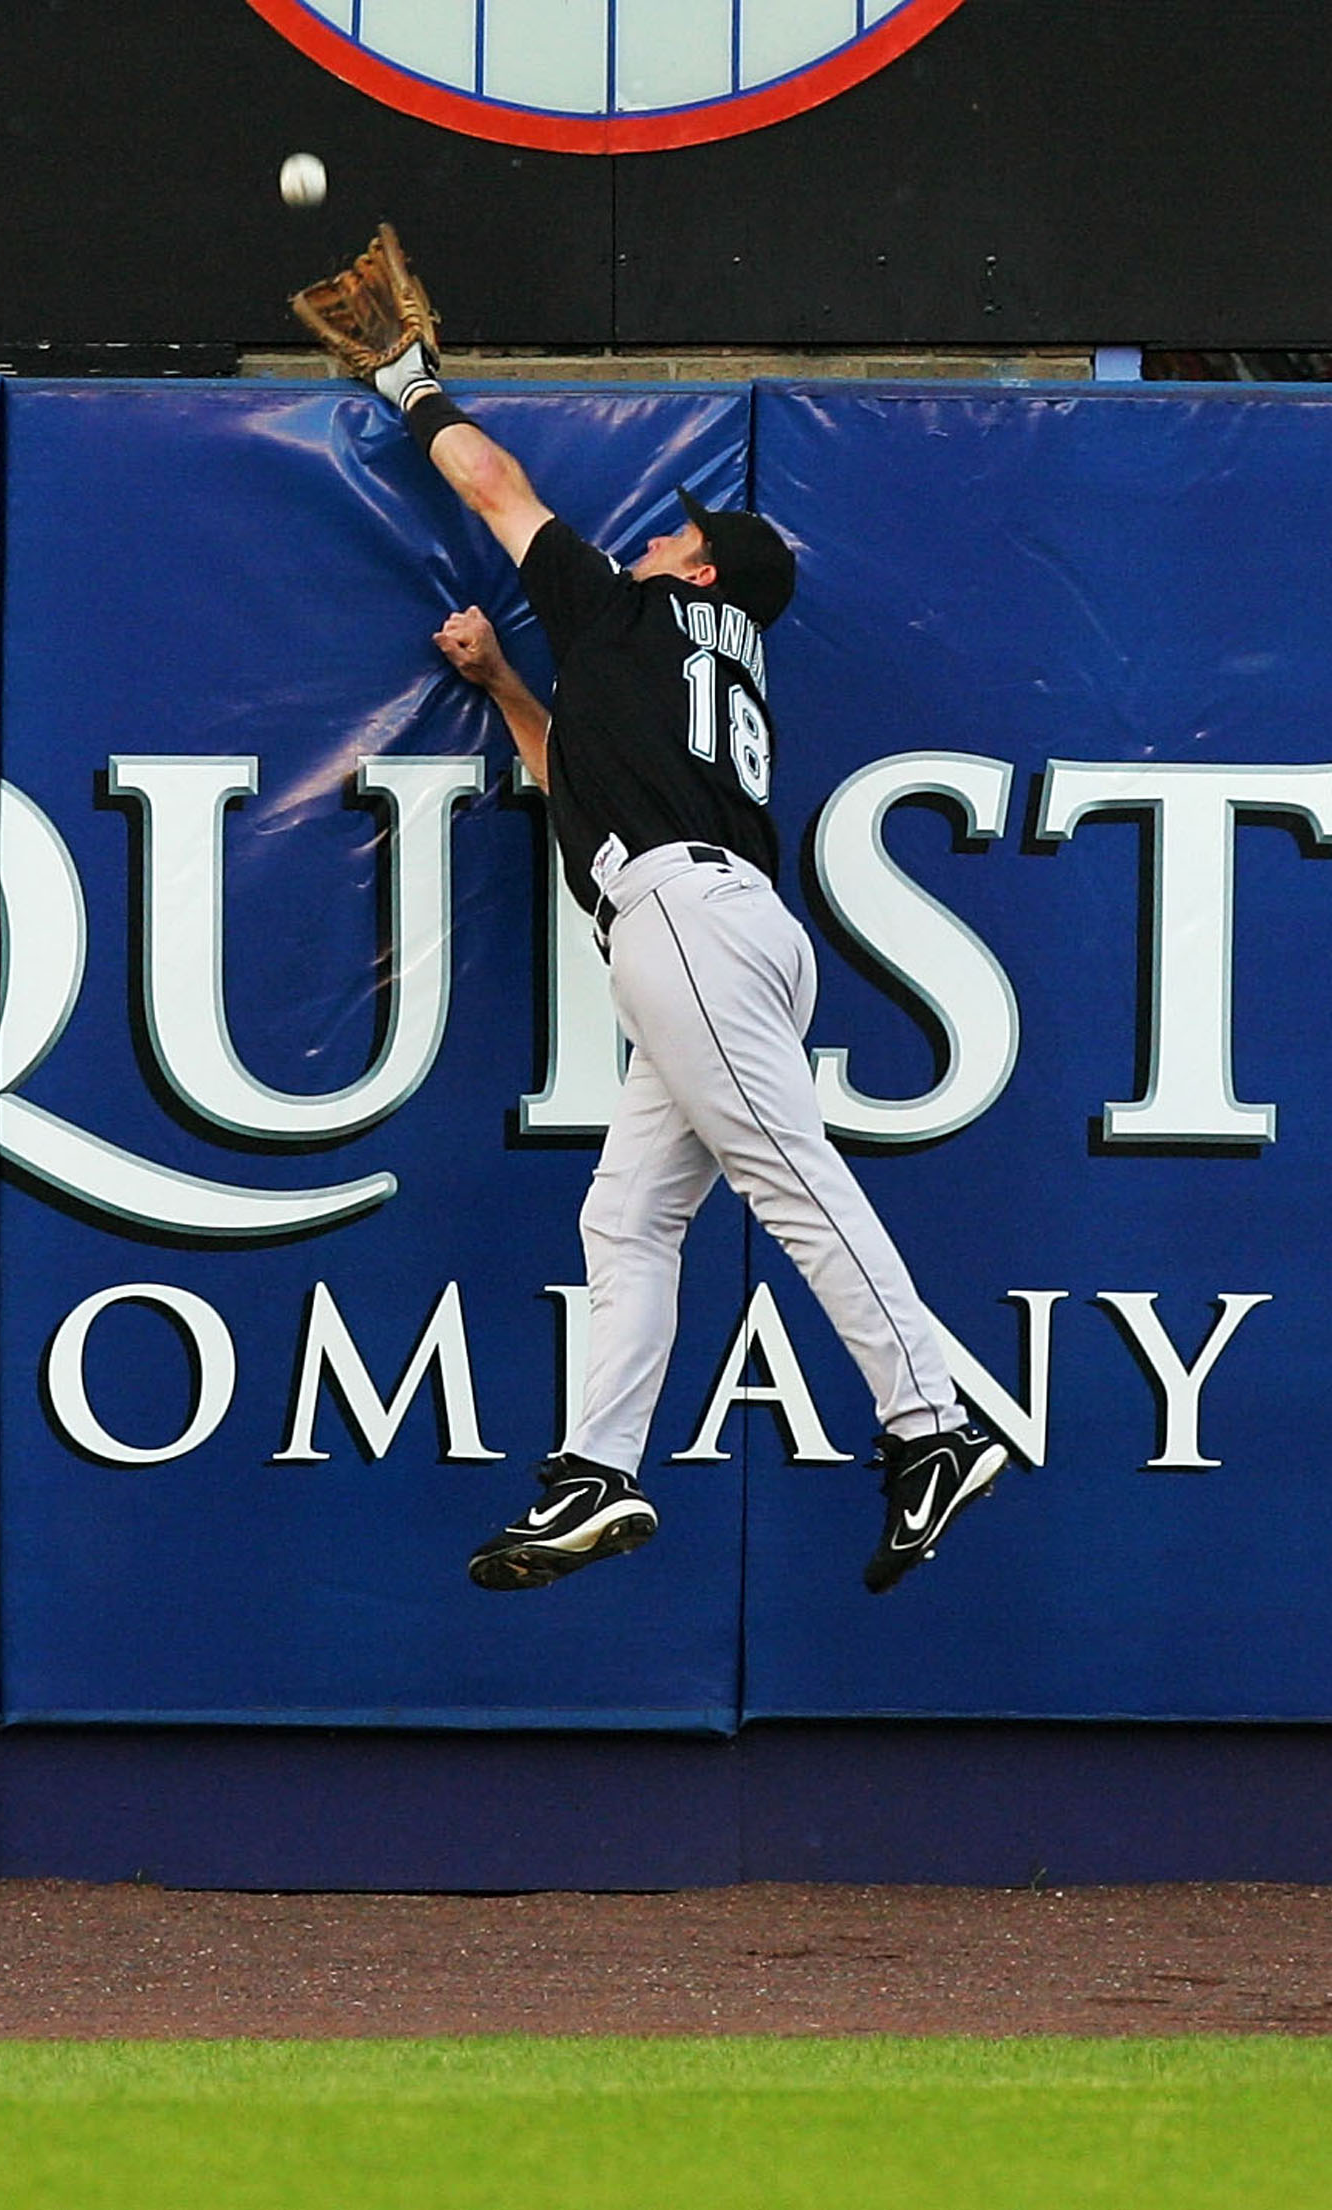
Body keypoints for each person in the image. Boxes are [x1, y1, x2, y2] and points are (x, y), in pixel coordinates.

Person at [348, 334, 1006, 1596]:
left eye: (676, 536)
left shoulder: (634, 606)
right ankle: (598, 1469)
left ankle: (935, 1421)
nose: (653, 538)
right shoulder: (675, 656)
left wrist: (412, 384)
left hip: (690, 928)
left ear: (699, 571)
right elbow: (586, 786)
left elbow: (491, 483)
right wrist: (500, 687)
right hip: (709, 919)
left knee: (789, 1177)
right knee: (628, 1213)